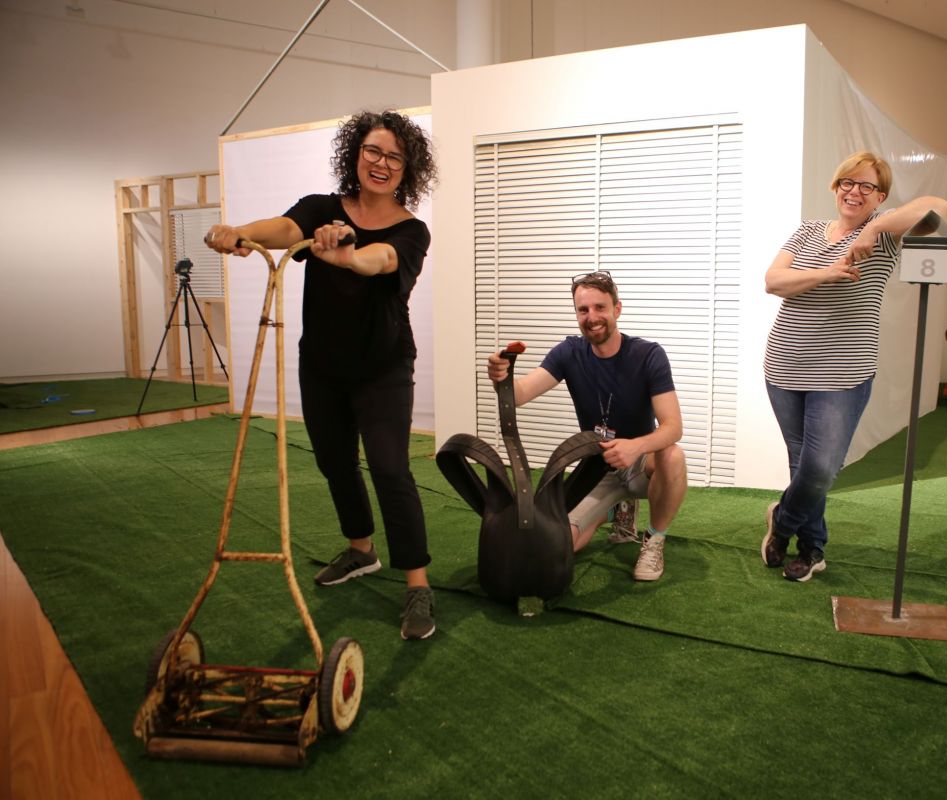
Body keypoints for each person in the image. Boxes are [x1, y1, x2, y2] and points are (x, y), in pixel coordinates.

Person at [204, 110, 439, 640]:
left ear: (408, 170)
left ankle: (417, 584)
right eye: (373, 152)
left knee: (389, 468)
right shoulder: (321, 209)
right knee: (335, 462)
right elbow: (286, 229)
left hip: (383, 368)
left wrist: (347, 255)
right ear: (356, 154)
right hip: (323, 366)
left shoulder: (411, 230)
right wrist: (238, 232)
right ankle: (361, 550)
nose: (381, 164)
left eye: (395, 158)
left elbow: (379, 261)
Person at [761, 151, 947, 582]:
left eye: (867, 186)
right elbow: (773, 281)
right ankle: (812, 550)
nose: (855, 192)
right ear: (836, 186)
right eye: (848, 182)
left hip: (843, 371)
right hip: (785, 364)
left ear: (880, 195)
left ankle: (783, 521)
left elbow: (940, 207)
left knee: (822, 467)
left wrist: (878, 226)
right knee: (801, 462)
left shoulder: (884, 236)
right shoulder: (808, 230)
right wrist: (828, 273)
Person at [485, 270, 688, 582]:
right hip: (598, 466)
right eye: (583, 310)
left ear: (616, 309)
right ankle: (615, 508)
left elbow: (673, 427)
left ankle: (653, 539)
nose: (592, 317)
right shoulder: (569, 352)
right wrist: (502, 377)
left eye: (600, 307)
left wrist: (634, 446)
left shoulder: (648, 355)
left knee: (672, 455)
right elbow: (521, 394)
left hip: (639, 464)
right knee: (560, 544)